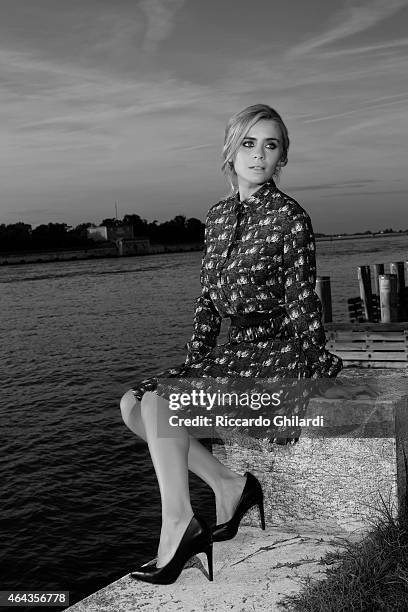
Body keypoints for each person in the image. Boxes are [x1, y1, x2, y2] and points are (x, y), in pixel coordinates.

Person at [119, 103, 343, 585]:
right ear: (230, 149)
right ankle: (229, 484)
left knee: (162, 402)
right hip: (235, 348)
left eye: (271, 145)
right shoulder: (218, 217)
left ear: (282, 157)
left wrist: (313, 369)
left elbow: (304, 301)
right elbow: (206, 299)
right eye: (249, 143)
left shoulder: (290, 218)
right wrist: (194, 364)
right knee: (132, 405)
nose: (259, 155)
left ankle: (179, 525)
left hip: (278, 348)